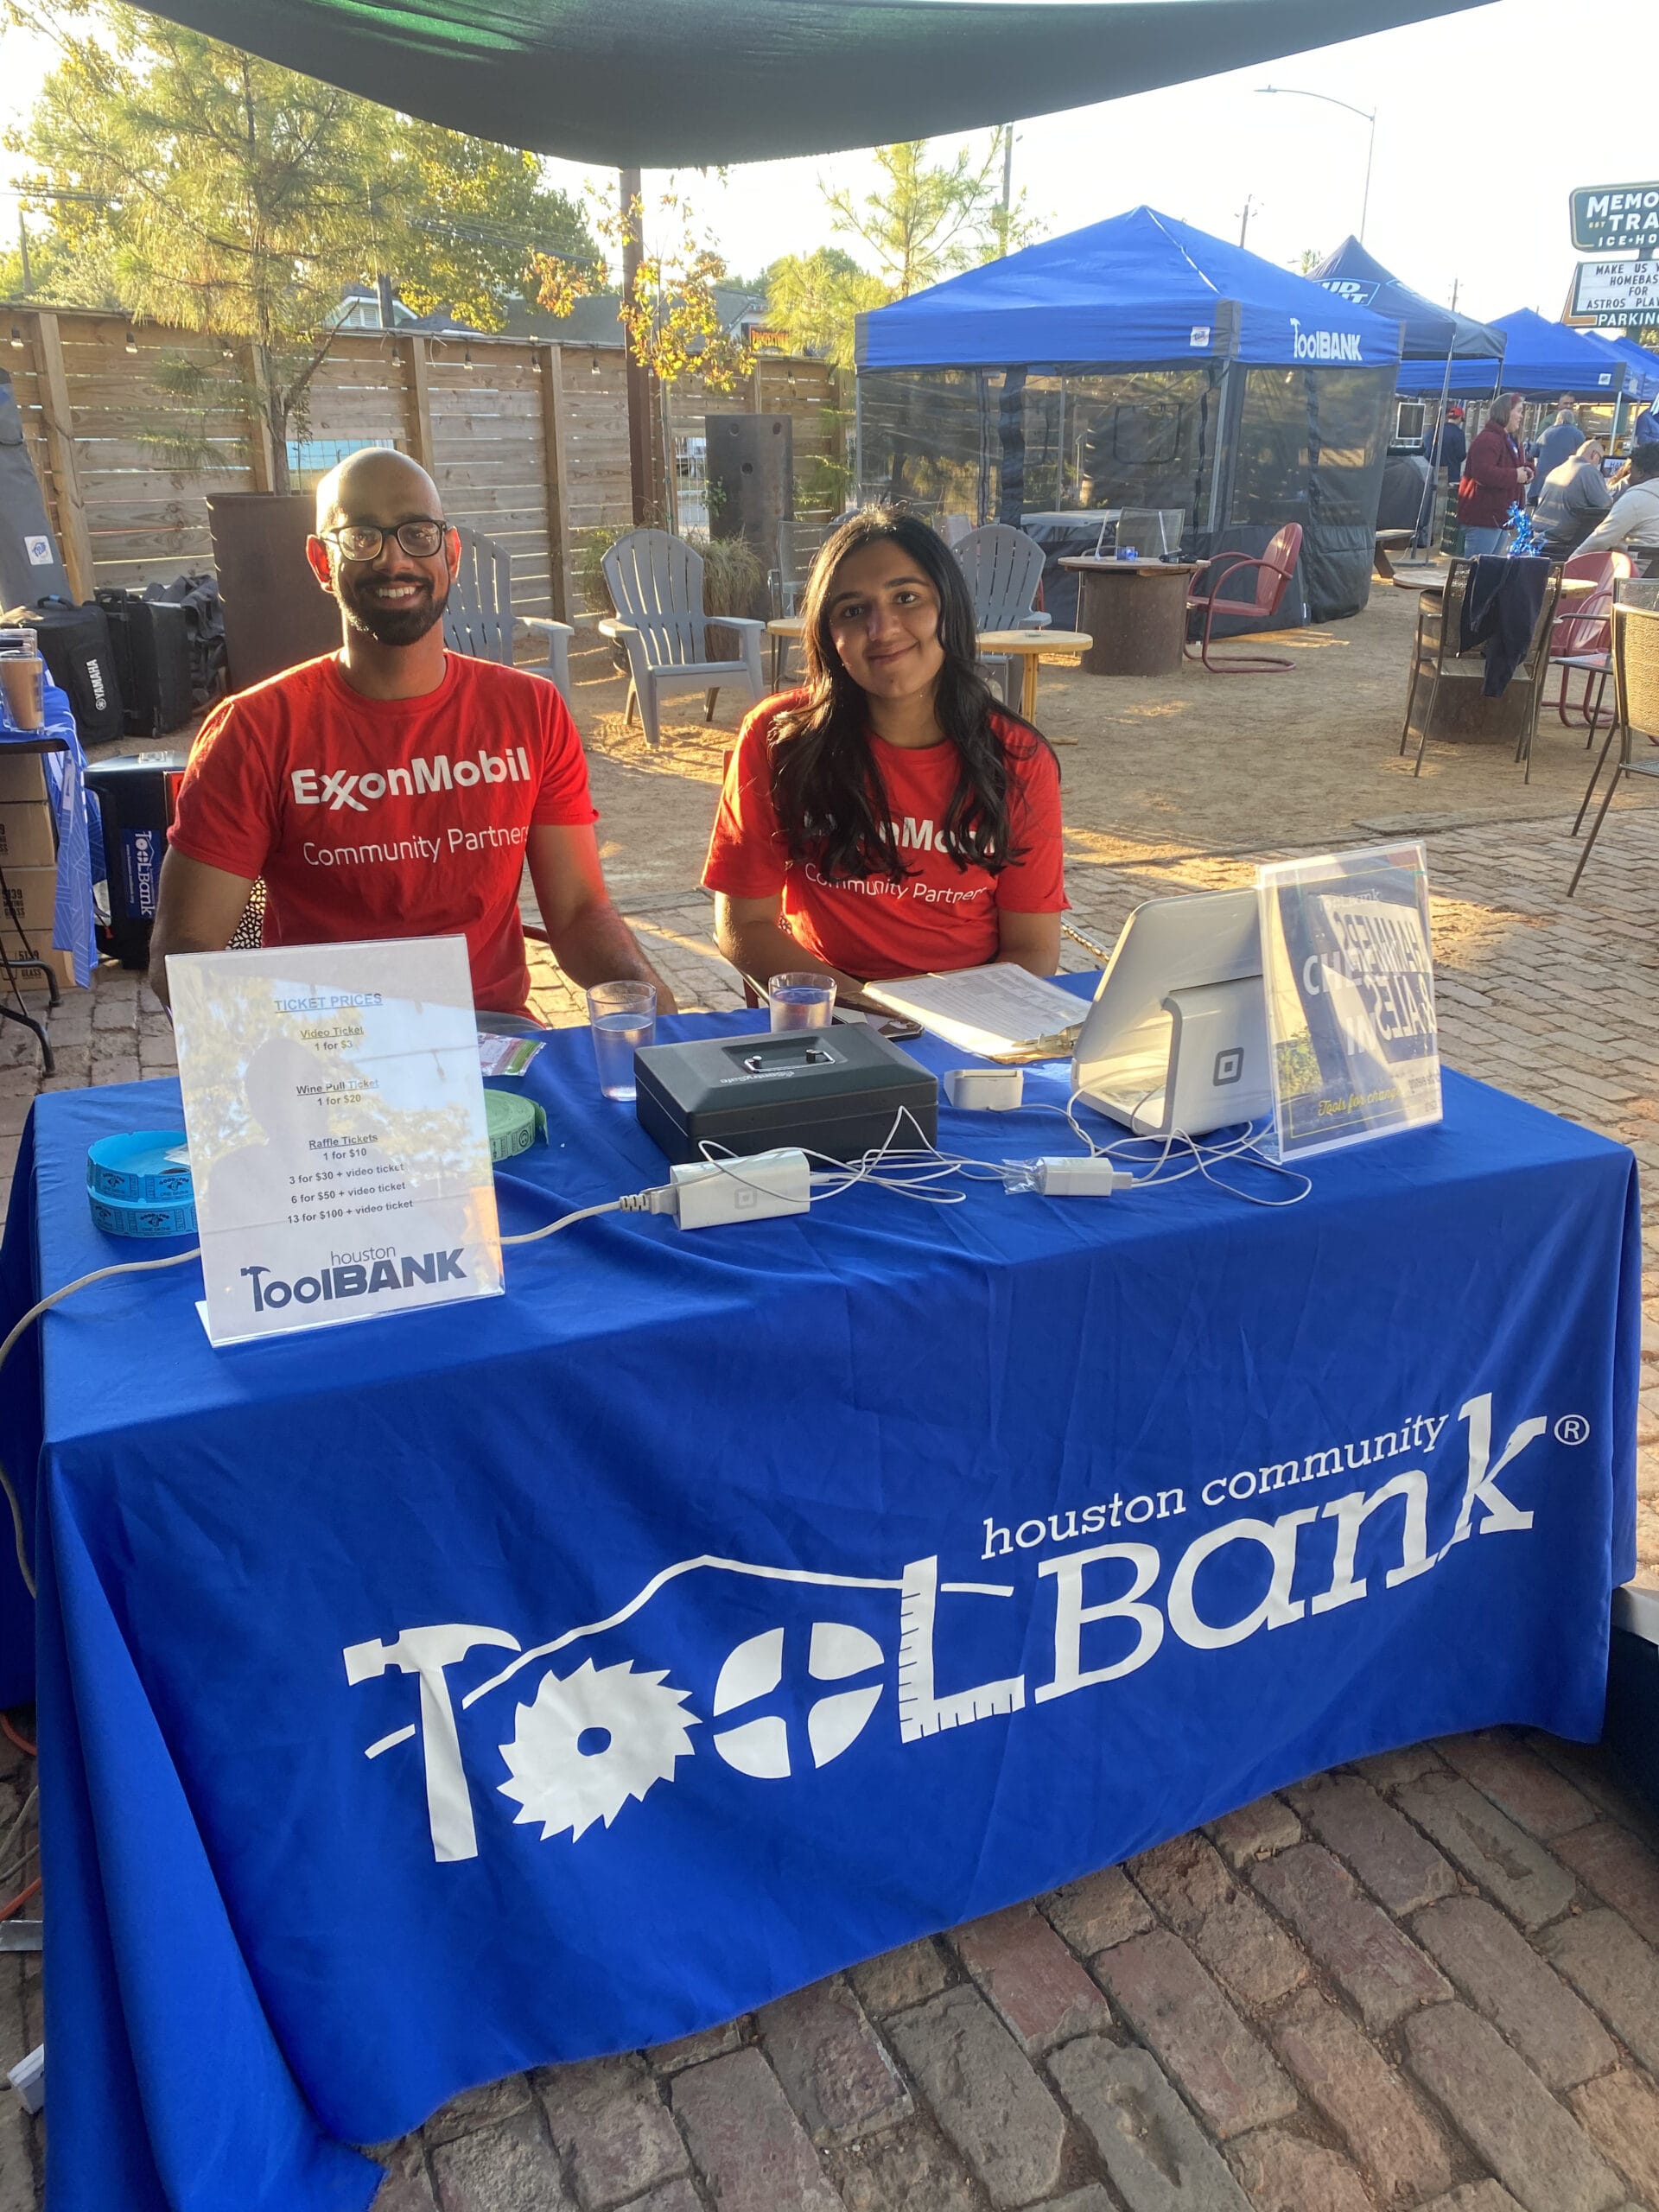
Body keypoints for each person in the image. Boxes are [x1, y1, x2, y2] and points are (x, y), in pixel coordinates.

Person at [149, 447, 674, 1030]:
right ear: (322, 562)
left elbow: (578, 913)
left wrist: (655, 1002)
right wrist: (266, 1058)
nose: (393, 560)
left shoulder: (530, 711)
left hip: (491, 1036)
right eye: (360, 537)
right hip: (329, 1049)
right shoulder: (253, 730)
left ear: (450, 552)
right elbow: (185, 952)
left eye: (416, 533)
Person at [703, 508, 1065, 1000]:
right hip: (830, 1007)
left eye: (907, 598)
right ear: (829, 638)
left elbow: (1033, 950)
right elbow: (743, 926)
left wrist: (950, 1027)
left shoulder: (1017, 757)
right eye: (853, 610)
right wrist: (871, 1012)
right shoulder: (780, 737)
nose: (882, 628)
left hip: (972, 1016)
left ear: (949, 607)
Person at [1458, 393, 1532, 555]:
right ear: (1506, 412)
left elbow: (1514, 466)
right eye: (1518, 411)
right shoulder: (1488, 439)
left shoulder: (1511, 441)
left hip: (1500, 517)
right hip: (1484, 517)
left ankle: (1475, 581)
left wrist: (1527, 470)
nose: (1521, 416)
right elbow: (1482, 473)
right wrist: (1515, 475)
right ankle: (1463, 582)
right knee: (1472, 569)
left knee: (1489, 569)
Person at [1575, 442, 1659, 577]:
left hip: (1631, 578)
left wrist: (1568, 565)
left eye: (1631, 472)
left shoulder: (1636, 498)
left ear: (1641, 473)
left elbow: (1600, 540)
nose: (1627, 478)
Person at [1534, 439, 1613, 560]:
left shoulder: (1558, 469)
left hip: (1539, 534)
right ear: (1594, 455)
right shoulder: (1588, 470)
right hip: (1562, 538)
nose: (1598, 464)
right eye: (1600, 459)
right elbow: (1605, 503)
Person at [1528, 397, 1584, 505]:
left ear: (1557, 419)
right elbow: (1584, 456)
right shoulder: (1578, 434)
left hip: (1540, 484)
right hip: (1563, 483)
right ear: (1572, 420)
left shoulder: (1546, 432)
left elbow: (1533, 453)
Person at [1438, 404, 1466, 481]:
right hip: (1452, 473)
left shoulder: (1437, 430)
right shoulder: (1459, 433)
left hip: (1435, 470)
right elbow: (1461, 455)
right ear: (1460, 418)